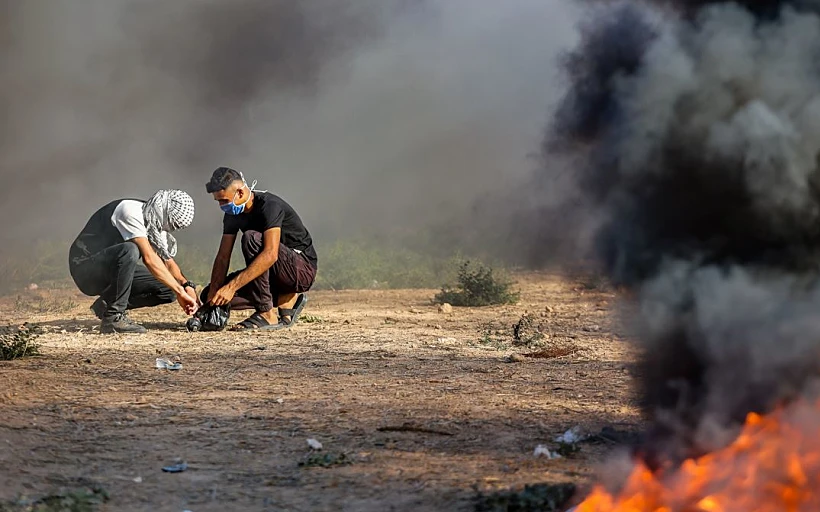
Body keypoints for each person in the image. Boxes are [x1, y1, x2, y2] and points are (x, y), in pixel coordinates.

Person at [68, 190, 200, 334]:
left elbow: (167, 262)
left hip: (112, 269)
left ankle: (106, 306)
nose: (171, 229)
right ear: (164, 211)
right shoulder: (130, 211)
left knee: (168, 290)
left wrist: (187, 286)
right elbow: (149, 259)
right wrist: (180, 291)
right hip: (86, 269)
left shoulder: (155, 223)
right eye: (172, 224)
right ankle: (113, 318)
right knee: (130, 250)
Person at [202, 166, 317, 330]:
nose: (222, 206)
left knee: (251, 238)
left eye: (224, 201)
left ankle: (266, 314)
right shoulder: (232, 215)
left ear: (240, 193)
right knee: (209, 295)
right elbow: (223, 257)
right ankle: (285, 297)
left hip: (301, 270)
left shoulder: (269, 206)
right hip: (272, 274)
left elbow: (270, 255)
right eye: (218, 201)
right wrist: (213, 295)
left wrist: (231, 287)